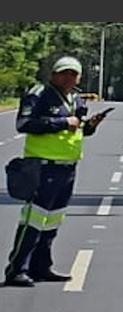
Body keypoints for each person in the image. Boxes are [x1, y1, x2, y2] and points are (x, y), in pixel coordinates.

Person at [4, 56, 108, 287]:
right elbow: (24, 124)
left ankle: (41, 266)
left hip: (67, 167)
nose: (68, 77)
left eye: (73, 74)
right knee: (33, 219)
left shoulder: (76, 98)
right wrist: (62, 122)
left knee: (52, 221)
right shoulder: (39, 93)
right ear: (54, 74)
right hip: (42, 165)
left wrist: (90, 125)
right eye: (64, 73)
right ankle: (16, 269)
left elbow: (78, 128)